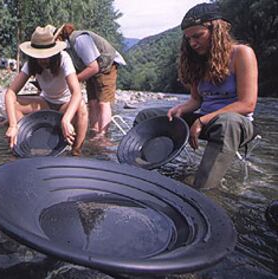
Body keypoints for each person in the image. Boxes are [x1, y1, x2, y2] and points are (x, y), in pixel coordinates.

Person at [134, 3, 258, 189]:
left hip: (236, 124)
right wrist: (181, 109)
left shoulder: (242, 53)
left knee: (227, 122)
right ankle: (135, 171)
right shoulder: (196, 60)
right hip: (206, 121)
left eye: (198, 36)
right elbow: (196, 100)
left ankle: (201, 192)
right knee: (147, 115)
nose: (192, 43)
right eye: (189, 38)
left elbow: (247, 104)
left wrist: (202, 121)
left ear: (216, 30)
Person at [4, 25, 88, 156]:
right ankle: (24, 144)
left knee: (82, 107)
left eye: (46, 55)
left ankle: (76, 151)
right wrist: (13, 125)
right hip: (46, 102)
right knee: (14, 105)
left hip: (64, 105)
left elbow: (77, 93)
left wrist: (66, 120)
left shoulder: (64, 58)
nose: (42, 59)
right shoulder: (30, 63)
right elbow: (10, 93)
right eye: (39, 56)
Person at [58, 23, 126, 138]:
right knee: (92, 102)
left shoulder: (80, 40)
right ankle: (94, 131)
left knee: (103, 103)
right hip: (91, 68)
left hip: (106, 66)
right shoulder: (67, 47)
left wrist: (74, 80)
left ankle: (102, 135)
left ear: (60, 37)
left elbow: (94, 67)